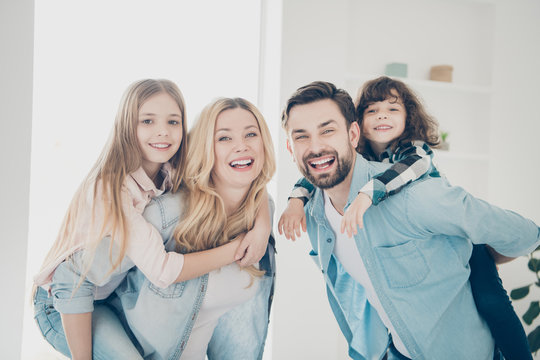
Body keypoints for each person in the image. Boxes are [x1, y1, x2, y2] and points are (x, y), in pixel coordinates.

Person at [281, 80, 540, 359]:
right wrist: (294, 200)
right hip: (396, 353)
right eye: (302, 136)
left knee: (493, 299)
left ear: (352, 134)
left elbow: (525, 234)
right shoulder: (314, 214)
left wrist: (477, 257)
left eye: (327, 130)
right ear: (290, 147)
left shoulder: (413, 192)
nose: (316, 146)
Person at [32, 80, 270, 360]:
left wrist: (263, 226)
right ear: (127, 127)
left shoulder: (171, 172)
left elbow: (243, 177)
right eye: (147, 121)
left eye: (173, 121)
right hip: (66, 299)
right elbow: (162, 271)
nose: (163, 132)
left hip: (105, 298)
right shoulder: (110, 190)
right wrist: (238, 247)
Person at [111, 97, 276, 360]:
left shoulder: (259, 211)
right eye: (224, 138)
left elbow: (258, 187)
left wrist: (263, 225)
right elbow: (92, 287)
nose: (242, 146)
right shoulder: (165, 215)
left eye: (251, 134)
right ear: (205, 148)